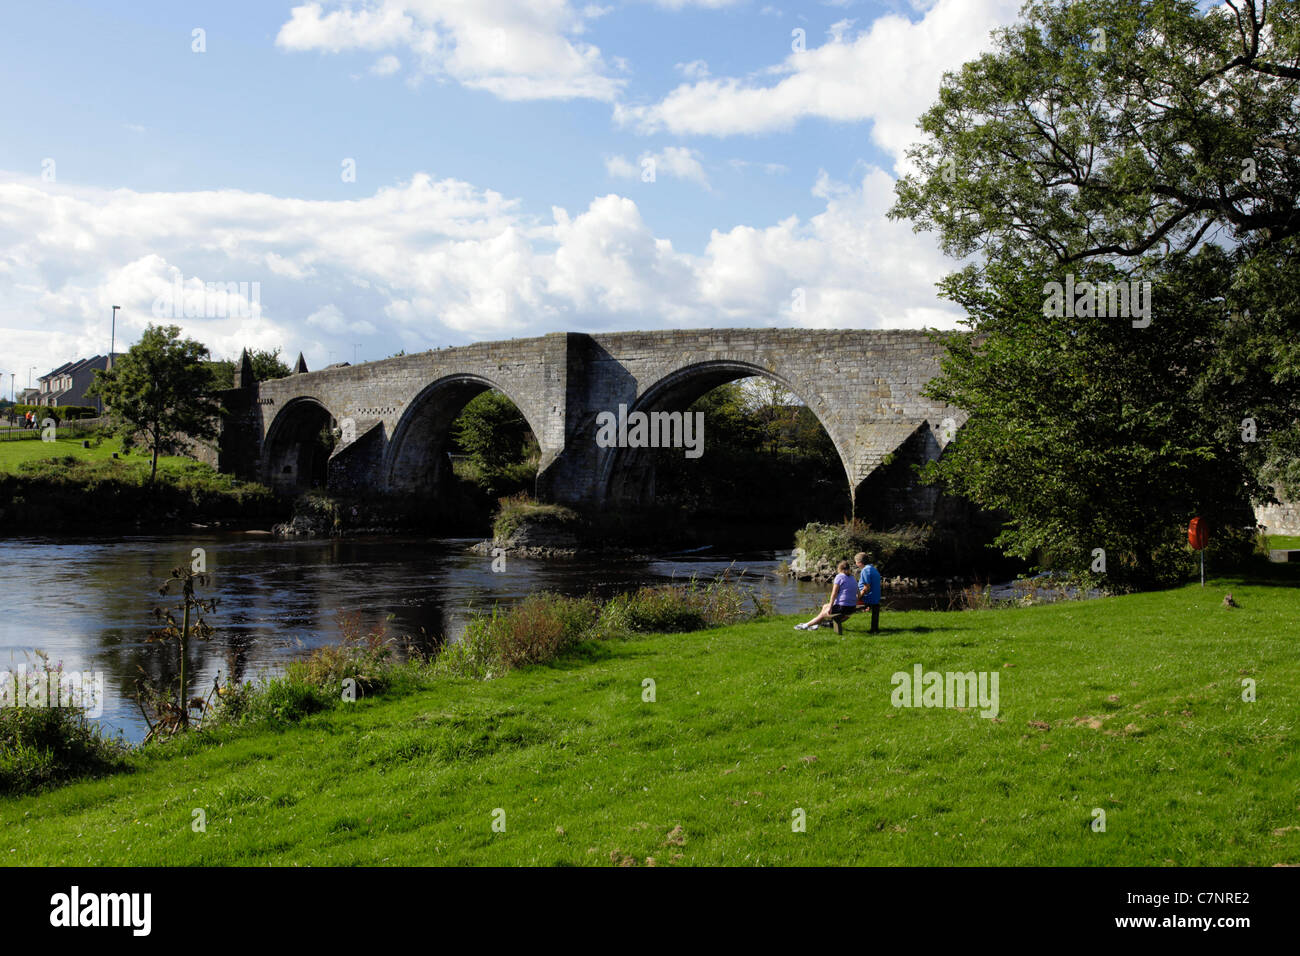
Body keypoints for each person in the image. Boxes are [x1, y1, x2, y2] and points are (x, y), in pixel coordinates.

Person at [795, 560, 859, 631]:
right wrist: (853, 602)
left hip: (843, 607)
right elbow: (858, 593)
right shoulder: (852, 578)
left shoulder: (839, 577)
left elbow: (833, 594)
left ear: (840, 569)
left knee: (824, 613)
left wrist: (831, 607)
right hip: (851, 607)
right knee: (825, 606)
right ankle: (816, 625)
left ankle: (805, 625)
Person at [854, 552, 882, 634]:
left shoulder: (865, 570)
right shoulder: (873, 568)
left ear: (859, 563)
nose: (855, 564)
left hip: (868, 598)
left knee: (846, 604)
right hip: (876, 597)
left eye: (855, 562)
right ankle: (874, 629)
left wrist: (858, 597)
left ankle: (833, 622)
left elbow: (866, 587)